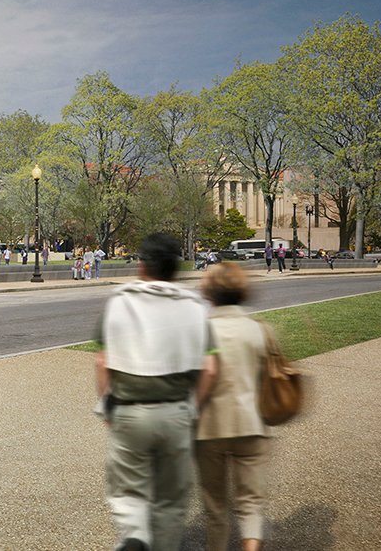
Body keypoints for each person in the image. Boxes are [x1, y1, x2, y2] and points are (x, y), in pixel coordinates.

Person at [93, 232, 216, 551]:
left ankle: (135, 534)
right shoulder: (195, 307)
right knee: (170, 500)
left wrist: (105, 403)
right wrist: (193, 407)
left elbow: (102, 361)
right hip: (175, 410)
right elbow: (210, 368)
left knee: (128, 490)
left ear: (142, 266)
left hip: (130, 408)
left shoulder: (119, 301)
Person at [195, 262, 271, 551]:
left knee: (215, 505)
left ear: (209, 294)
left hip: (209, 427)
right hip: (251, 423)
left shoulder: (201, 331)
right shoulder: (258, 330)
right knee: (250, 503)